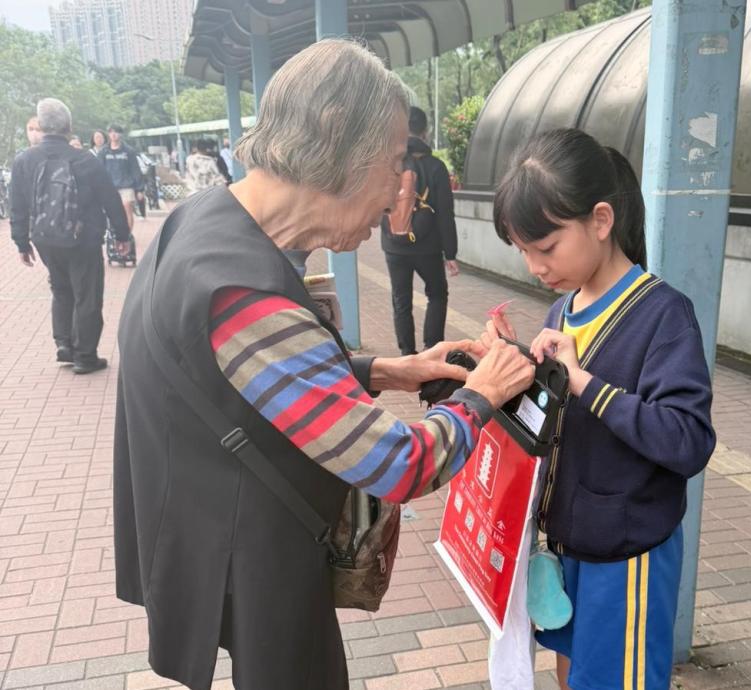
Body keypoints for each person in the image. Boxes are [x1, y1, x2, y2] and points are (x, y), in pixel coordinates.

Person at [113, 39, 536, 690]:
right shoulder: (240, 291)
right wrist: (481, 395)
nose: (397, 194)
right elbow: (399, 464)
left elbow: (243, 375)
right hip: (252, 550)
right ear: (340, 139)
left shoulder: (202, 221)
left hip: (208, 519)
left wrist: (389, 370)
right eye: (394, 163)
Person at [482, 129, 716, 690]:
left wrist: (584, 382)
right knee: (573, 677)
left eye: (546, 247)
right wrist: (511, 373)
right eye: (523, 251)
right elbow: (554, 425)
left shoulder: (662, 315)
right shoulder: (562, 310)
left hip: (626, 557)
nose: (535, 266)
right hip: (570, 546)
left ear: (601, 220)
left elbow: (688, 440)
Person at [9, 99, 131, 374]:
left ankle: (64, 343)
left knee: (61, 288)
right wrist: (122, 235)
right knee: (87, 295)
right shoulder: (85, 159)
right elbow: (110, 199)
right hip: (83, 239)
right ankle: (85, 356)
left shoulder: (24, 160)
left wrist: (21, 242)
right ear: (69, 127)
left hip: (45, 238)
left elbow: (17, 204)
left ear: (41, 126)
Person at [380, 105, 459, 355]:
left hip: (394, 245)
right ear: (425, 131)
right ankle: (432, 350)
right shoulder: (436, 167)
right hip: (428, 247)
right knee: (437, 294)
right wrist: (451, 253)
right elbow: (445, 213)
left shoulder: (390, 164)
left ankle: (407, 354)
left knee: (401, 299)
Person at [99, 124, 144, 232]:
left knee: (126, 207)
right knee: (111, 211)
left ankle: (127, 234)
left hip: (126, 185)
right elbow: (99, 170)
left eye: (116, 132)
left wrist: (140, 189)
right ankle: (114, 233)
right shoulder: (103, 152)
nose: (113, 134)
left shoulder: (129, 151)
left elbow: (135, 170)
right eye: (111, 132)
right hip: (110, 187)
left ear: (120, 134)